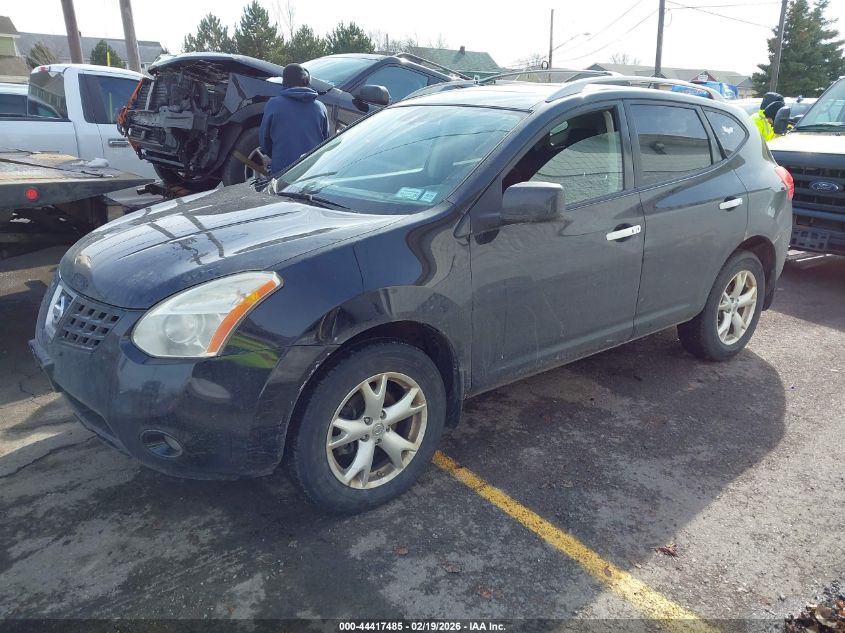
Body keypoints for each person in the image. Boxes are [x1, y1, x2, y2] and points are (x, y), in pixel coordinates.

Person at [259, 63, 329, 176]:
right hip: (313, 170)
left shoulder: (273, 105)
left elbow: (264, 141)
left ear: (284, 82)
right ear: (307, 81)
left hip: (283, 171)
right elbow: (325, 140)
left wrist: (277, 155)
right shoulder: (320, 107)